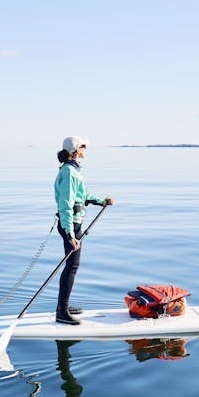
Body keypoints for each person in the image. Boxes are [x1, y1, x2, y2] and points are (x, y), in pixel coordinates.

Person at [54, 136, 113, 325]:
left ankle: (64, 306)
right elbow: (65, 204)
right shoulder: (70, 172)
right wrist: (70, 234)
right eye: (83, 146)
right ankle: (62, 312)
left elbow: (83, 195)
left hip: (73, 224)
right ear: (75, 150)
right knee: (72, 266)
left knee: (71, 266)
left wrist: (101, 201)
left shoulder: (72, 170)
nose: (86, 148)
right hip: (71, 225)